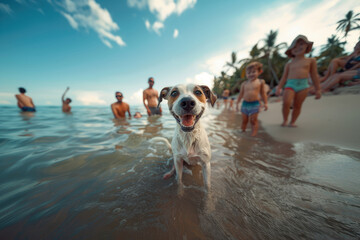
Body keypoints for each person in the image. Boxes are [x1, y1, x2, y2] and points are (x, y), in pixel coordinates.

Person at [276, 35, 321, 127]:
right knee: (286, 102)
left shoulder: (311, 61)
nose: (298, 48)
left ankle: (292, 121)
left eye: (301, 44)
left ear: (307, 46)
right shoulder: (289, 64)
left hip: (303, 85)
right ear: (291, 50)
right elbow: (284, 77)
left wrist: (318, 89)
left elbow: (314, 75)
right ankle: (285, 120)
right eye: (294, 47)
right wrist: (279, 87)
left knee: (298, 105)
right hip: (290, 84)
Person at [236, 61, 268, 136]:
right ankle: (242, 131)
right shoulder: (244, 84)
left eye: (253, 72)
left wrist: (266, 103)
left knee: (253, 120)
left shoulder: (260, 82)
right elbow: (241, 94)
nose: (251, 74)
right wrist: (237, 103)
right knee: (244, 120)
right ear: (246, 74)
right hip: (245, 104)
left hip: (255, 104)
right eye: (249, 73)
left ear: (259, 72)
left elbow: (263, 93)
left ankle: (253, 135)